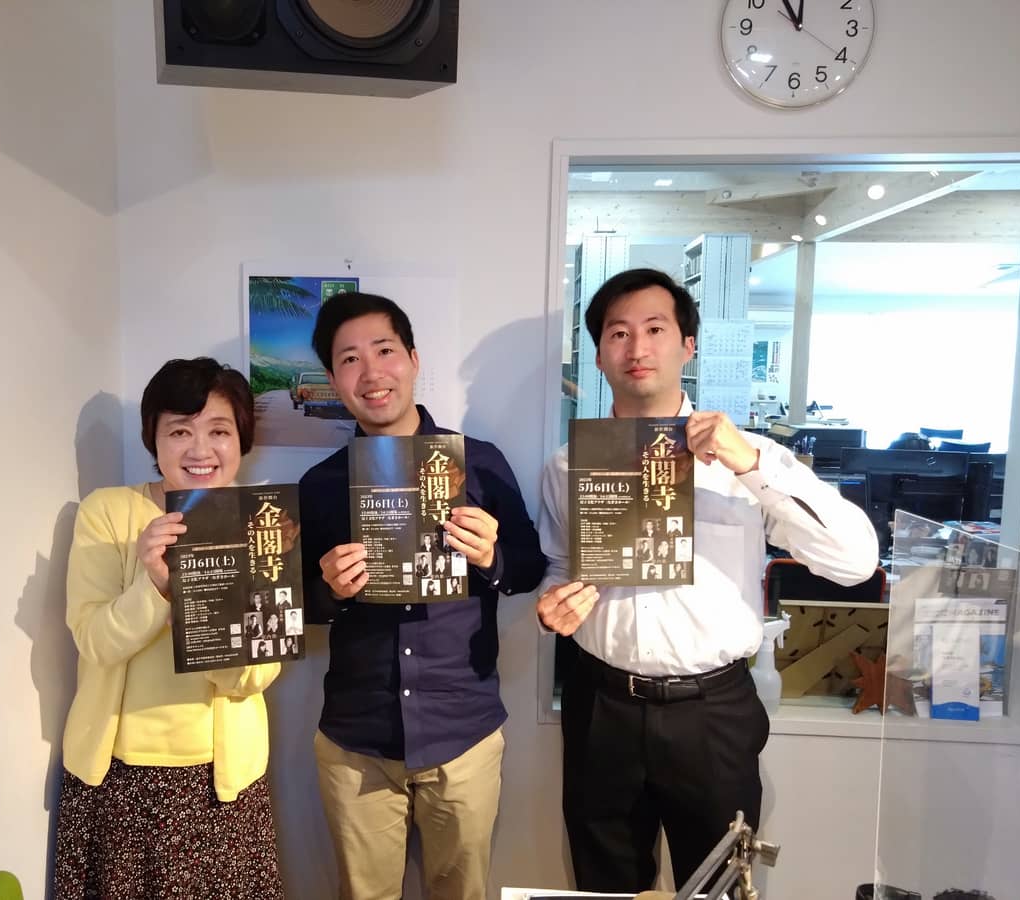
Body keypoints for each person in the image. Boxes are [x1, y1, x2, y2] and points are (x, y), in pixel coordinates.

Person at [535, 269, 878, 894]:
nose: (637, 348)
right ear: (600, 354)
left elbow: (855, 562)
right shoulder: (567, 465)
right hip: (600, 706)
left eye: (655, 329)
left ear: (687, 345)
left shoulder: (746, 458)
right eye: (618, 333)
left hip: (712, 712)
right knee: (604, 884)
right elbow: (560, 564)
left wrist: (750, 463)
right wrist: (554, 601)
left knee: (719, 884)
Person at [298, 292, 547, 900]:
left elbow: (529, 567)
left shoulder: (479, 463)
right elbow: (294, 604)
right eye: (350, 360)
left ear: (412, 359)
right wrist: (329, 591)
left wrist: (490, 557)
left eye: (384, 351)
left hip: (463, 731)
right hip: (357, 739)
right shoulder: (321, 483)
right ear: (333, 378)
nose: (371, 372)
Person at [52, 357, 284, 899]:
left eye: (219, 431)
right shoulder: (108, 512)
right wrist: (154, 584)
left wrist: (207, 597)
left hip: (221, 782)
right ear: (153, 440)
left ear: (241, 440)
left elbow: (254, 676)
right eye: (179, 431)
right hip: (120, 777)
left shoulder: (262, 522)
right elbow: (94, 641)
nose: (200, 449)